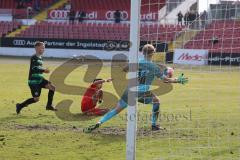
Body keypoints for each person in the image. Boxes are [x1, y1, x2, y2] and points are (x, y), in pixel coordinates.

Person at [84, 44, 188, 133]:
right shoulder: (154, 67)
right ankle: (154, 125)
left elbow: (124, 70)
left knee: (116, 109)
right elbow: (165, 80)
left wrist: (113, 78)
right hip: (141, 91)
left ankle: (99, 122)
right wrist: (178, 80)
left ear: (143, 52)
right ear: (153, 53)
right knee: (156, 101)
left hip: (130, 89)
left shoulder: (137, 62)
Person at [16, 41, 57, 114]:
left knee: (52, 87)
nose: (44, 49)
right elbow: (34, 68)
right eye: (42, 48)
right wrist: (44, 70)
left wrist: (43, 70)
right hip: (33, 81)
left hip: (40, 79)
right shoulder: (33, 57)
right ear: (37, 48)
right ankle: (20, 105)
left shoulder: (41, 58)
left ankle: (49, 105)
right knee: (36, 99)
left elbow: (38, 68)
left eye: (44, 48)